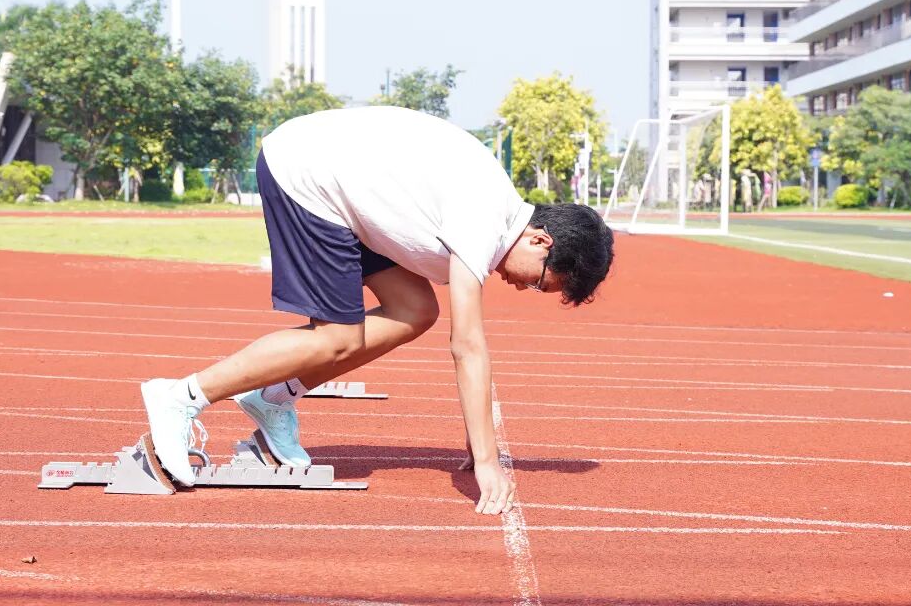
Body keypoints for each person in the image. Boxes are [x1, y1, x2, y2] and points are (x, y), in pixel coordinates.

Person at [140, 106, 614, 516]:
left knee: (414, 309)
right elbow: (467, 345)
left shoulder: (494, 212)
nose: (521, 285)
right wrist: (487, 461)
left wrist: (479, 436)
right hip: (306, 175)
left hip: (347, 193)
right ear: (539, 240)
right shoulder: (485, 219)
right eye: (537, 280)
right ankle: (181, 396)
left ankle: (273, 397)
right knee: (336, 336)